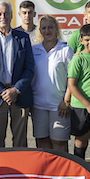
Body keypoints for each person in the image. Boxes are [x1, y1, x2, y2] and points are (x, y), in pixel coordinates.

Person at [0, 0, 35, 148]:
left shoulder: (23, 38)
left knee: (20, 142)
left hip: (19, 95)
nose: (3, 17)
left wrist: (16, 90)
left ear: (11, 15)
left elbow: (29, 67)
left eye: (6, 13)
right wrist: (1, 91)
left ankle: (19, 164)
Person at [63, 24, 90, 166]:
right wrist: (87, 105)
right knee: (81, 140)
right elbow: (72, 85)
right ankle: (79, 170)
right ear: (81, 41)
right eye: (87, 40)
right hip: (81, 107)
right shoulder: (78, 59)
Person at [31, 15, 74, 152]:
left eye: (50, 27)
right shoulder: (33, 50)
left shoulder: (65, 50)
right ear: (40, 30)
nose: (47, 30)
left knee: (59, 143)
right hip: (38, 105)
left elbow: (72, 78)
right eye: (43, 28)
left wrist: (66, 101)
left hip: (59, 106)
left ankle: (61, 168)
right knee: (42, 142)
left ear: (56, 29)